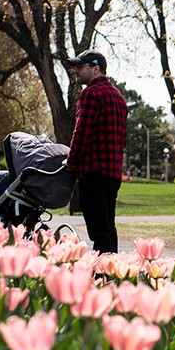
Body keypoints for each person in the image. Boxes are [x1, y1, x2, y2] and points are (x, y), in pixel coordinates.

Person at [64, 49, 127, 254]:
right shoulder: (118, 98)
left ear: (96, 69)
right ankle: (114, 271)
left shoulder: (91, 93)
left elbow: (81, 132)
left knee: (98, 231)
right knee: (108, 227)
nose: (76, 71)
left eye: (80, 67)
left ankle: (103, 275)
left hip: (93, 172)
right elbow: (122, 138)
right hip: (112, 173)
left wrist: (71, 162)